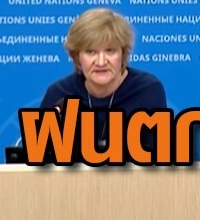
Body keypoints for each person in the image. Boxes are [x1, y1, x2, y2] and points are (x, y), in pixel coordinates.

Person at [40, 8, 167, 147]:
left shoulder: (147, 91)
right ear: (77, 56)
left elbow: (159, 154)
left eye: (110, 51)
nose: (101, 62)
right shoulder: (59, 95)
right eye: (91, 52)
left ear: (123, 53)